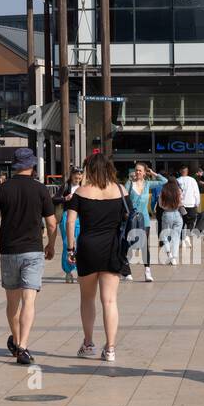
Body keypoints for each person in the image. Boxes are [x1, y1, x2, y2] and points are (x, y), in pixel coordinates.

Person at [0, 148, 56, 367]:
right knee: (29, 301)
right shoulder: (41, 189)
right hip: (33, 251)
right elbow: (52, 223)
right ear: (32, 166)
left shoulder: (2, 189)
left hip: (9, 251)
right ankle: (23, 347)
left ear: (15, 166)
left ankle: (16, 341)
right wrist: (51, 245)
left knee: (12, 303)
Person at [66, 155, 128, 362]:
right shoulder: (121, 190)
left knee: (87, 298)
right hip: (113, 247)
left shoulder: (81, 192)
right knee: (110, 300)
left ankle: (88, 343)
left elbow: (70, 221)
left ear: (89, 170)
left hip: (88, 247)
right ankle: (110, 349)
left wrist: (70, 248)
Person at [125, 162, 165, 282]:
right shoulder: (129, 184)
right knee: (128, 245)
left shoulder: (148, 184)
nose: (137, 172)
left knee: (143, 245)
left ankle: (147, 271)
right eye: (136, 170)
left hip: (144, 220)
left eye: (140, 170)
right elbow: (124, 198)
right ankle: (126, 271)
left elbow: (164, 181)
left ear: (144, 172)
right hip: (131, 219)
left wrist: (153, 173)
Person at [60, 169, 82, 282]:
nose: (77, 180)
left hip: (80, 217)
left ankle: (79, 270)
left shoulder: (84, 187)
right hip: (67, 215)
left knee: (79, 243)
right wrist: (65, 198)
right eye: (75, 178)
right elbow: (54, 199)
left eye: (79, 178)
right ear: (71, 176)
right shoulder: (65, 186)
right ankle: (68, 271)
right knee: (67, 243)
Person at [158, 178, 183, 266]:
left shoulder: (163, 191)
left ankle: (169, 253)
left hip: (167, 214)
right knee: (176, 237)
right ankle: (174, 258)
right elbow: (181, 203)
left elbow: (160, 204)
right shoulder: (178, 191)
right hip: (177, 214)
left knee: (165, 235)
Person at [176, 164, 201, 230]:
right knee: (190, 223)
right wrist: (197, 203)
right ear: (187, 171)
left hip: (180, 206)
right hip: (191, 205)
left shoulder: (177, 180)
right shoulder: (192, 180)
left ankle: (181, 239)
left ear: (180, 171)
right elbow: (196, 192)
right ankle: (187, 237)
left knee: (180, 223)